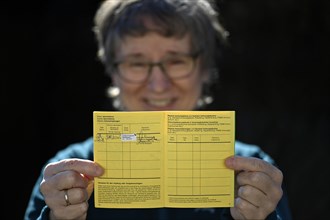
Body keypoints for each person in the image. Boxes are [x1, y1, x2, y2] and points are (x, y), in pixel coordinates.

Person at [24, 0, 292, 219]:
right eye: (137, 64)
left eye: (176, 61)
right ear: (113, 73)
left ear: (205, 70)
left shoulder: (252, 169)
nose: (158, 84)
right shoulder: (68, 169)